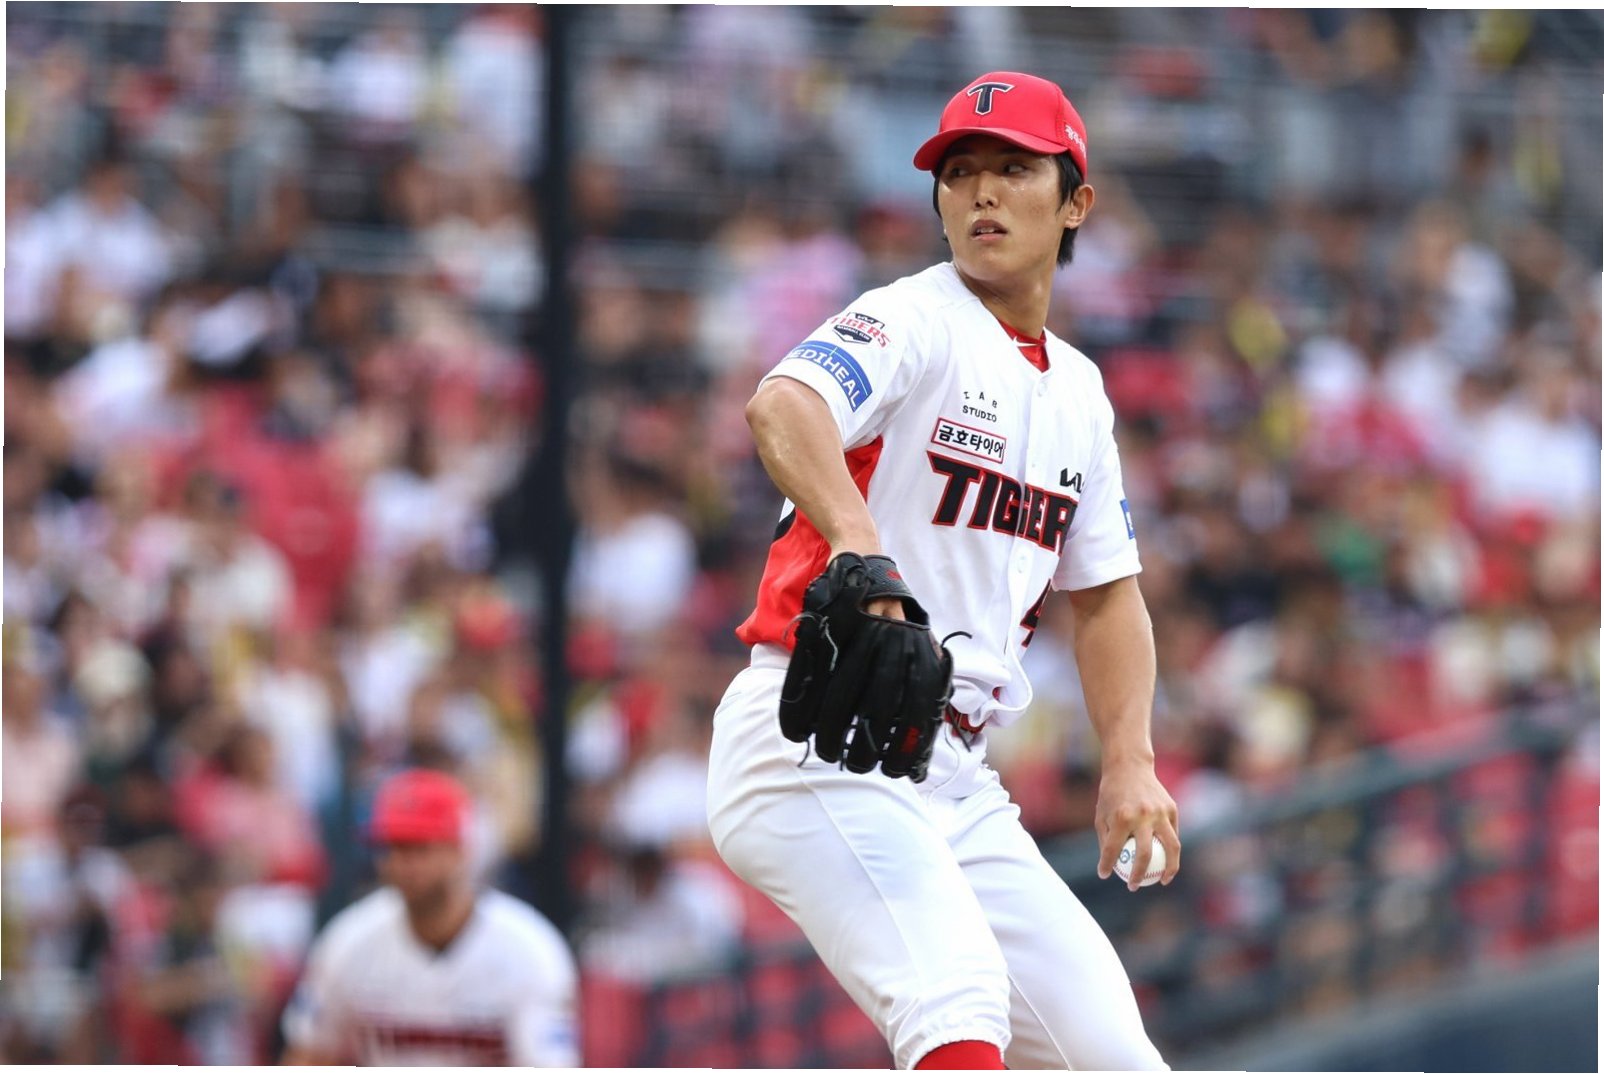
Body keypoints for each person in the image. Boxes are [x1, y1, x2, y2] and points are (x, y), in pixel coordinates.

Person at [706, 72, 1180, 1071]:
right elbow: (783, 405)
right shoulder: (913, 319)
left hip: (952, 770)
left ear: (1076, 204)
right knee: (955, 1004)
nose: (982, 192)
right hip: (817, 733)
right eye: (959, 172)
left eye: (1014, 168)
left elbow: (1105, 597)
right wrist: (856, 541)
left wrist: (1129, 758)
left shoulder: (1080, 392)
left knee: (1113, 1056)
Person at [280, 768, 578, 1066]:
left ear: (460, 850)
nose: (401, 864)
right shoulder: (350, 938)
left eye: (419, 848)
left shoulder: (530, 949)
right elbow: (307, 1055)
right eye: (392, 848)